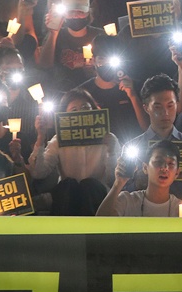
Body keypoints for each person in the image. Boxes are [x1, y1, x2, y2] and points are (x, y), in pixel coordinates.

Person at [124, 74, 182, 205]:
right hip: (145, 218)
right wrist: (137, 183)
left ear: (177, 105)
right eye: (158, 106)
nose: (165, 112)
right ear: (146, 108)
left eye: (170, 105)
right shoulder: (134, 147)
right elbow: (121, 195)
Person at [29, 87, 119, 215]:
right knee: (68, 185)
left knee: (90, 185)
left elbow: (113, 179)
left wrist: (111, 152)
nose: (80, 114)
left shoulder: (108, 139)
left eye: (85, 108)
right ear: (64, 116)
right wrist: (40, 138)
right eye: (74, 110)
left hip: (97, 195)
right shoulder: (58, 140)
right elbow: (39, 173)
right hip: (67, 195)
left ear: (94, 110)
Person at [97, 139, 182, 217]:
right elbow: (100, 223)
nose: (164, 168)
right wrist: (118, 183)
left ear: (177, 173)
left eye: (171, 164)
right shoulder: (127, 201)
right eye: (158, 162)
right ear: (145, 168)